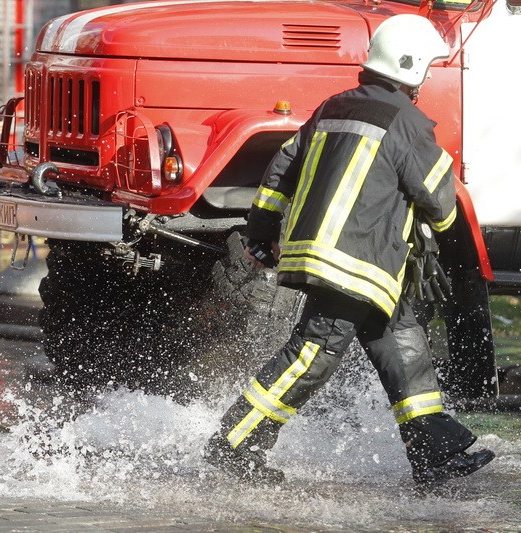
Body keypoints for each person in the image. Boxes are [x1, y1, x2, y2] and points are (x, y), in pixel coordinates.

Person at [204, 14, 494, 485]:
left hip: (357, 261)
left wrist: (262, 231)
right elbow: (439, 198)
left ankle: (434, 453)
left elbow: (282, 167)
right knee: (315, 352)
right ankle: (235, 442)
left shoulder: (332, 106)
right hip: (354, 261)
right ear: (413, 66)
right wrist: (442, 237)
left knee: (403, 345)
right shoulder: (407, 121)